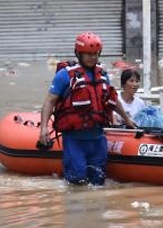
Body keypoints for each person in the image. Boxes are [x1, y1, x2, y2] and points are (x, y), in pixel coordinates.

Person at [37, 32, 136, 186]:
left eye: (95, 54)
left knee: (98, 182)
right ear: (79, 53)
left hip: (98, 139)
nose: (92, 57)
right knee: (77, 181)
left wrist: (127, 119)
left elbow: (113, 99)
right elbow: (50, 101)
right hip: (75, 140)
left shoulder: (102, 74)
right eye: (88, 54)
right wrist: (43, 128)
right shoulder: (65, 75)